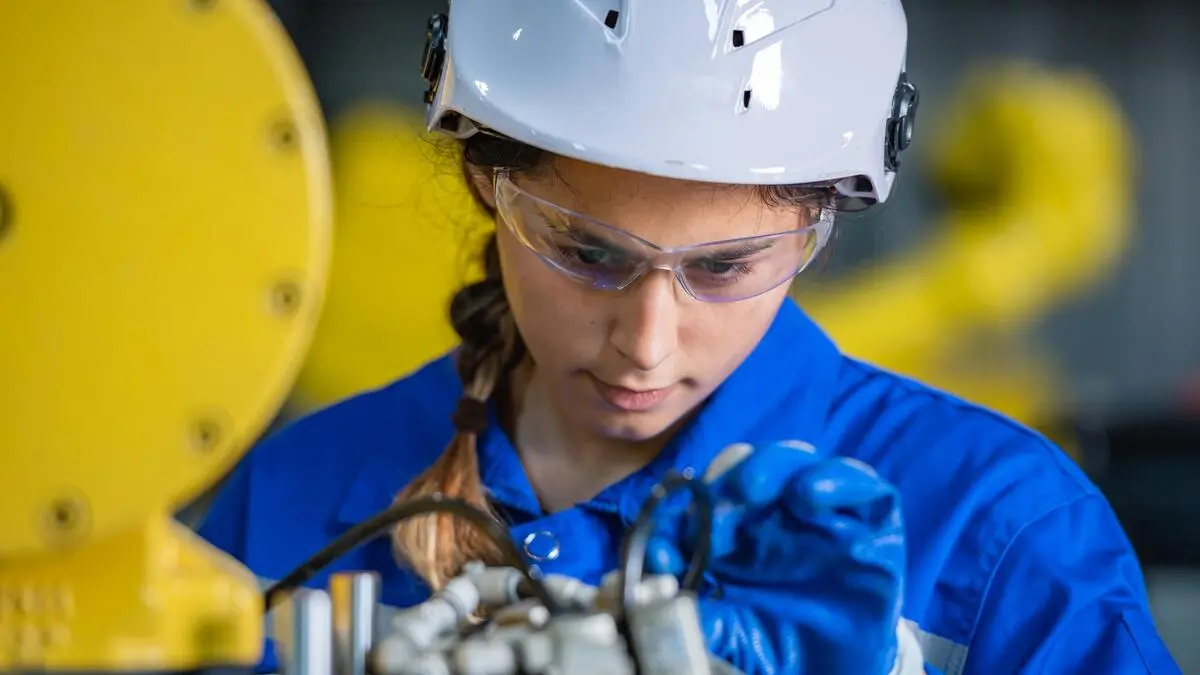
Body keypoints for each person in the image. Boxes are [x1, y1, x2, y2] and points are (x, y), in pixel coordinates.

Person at [197, 1, 1181, 673]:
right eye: (587, 252)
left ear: (821, 228)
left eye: (724, 268)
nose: (648, 344)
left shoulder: (998, 531)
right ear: (485, 185)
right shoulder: (292, 502)